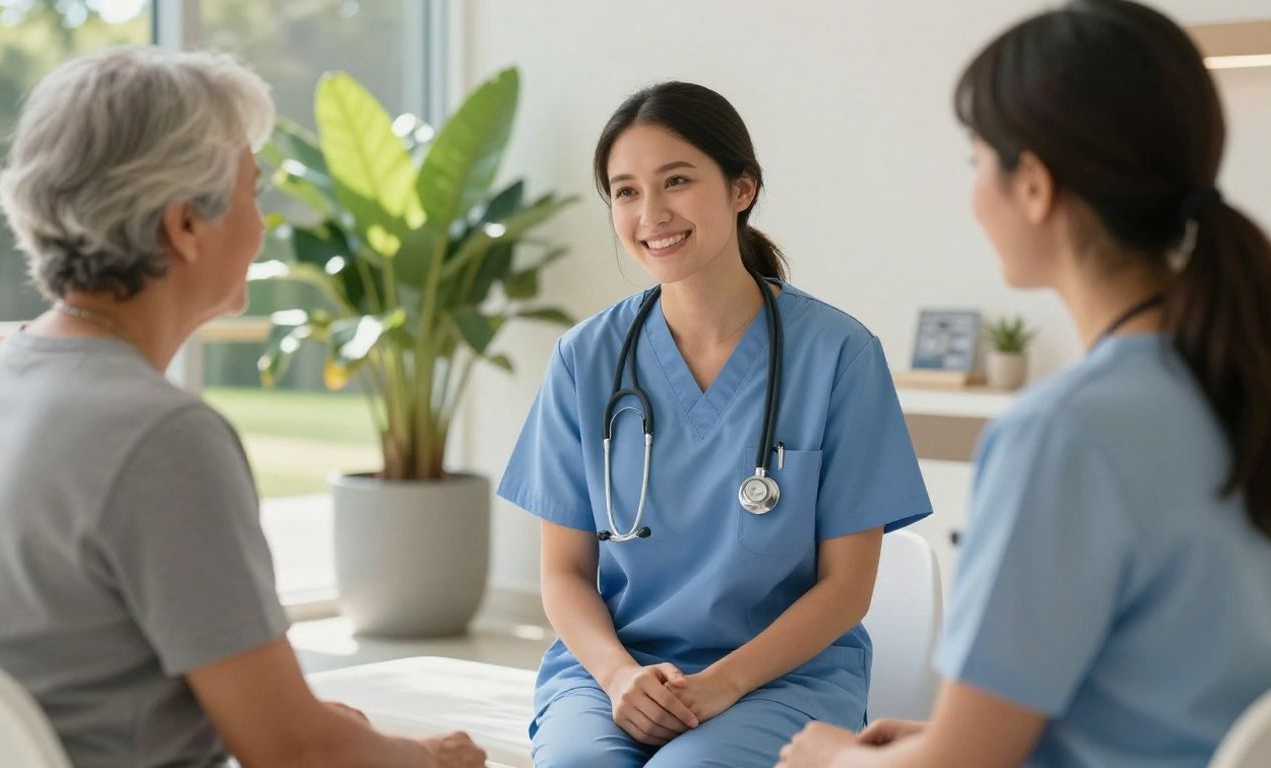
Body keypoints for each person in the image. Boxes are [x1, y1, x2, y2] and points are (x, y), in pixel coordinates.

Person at [0, 46, 484, 768]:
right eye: (254, 191)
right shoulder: (163, 436)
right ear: (184, 226)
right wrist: (431, 758)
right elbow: (293, 752)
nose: (264, 224)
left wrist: (312, 726)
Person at [777, 2, 1271, 766]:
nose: (974, 190)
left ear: (1034, 186)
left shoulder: (1065, 434)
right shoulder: (1240, 380)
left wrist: (833, 759)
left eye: (977, 160)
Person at [497, 81, 933, 767]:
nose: (652, 212)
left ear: (742, 189)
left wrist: (720, 685)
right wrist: (616, 676)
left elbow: (846, 589)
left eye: (676, 181)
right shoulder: (586, 358)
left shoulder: (839, 355)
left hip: (783, 677)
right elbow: (564, 574)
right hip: (614, 671)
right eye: (626, 191)